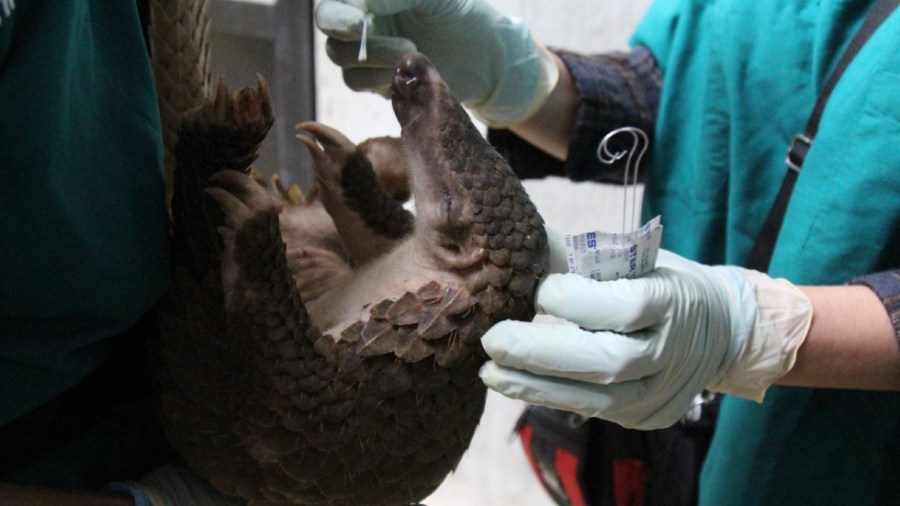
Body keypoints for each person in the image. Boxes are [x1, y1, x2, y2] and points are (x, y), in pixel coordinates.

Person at [315, 0, 900, 504]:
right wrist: (519, 79)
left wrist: (761, 330)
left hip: (846, 455)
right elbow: (681, 85)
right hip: (678, 439)